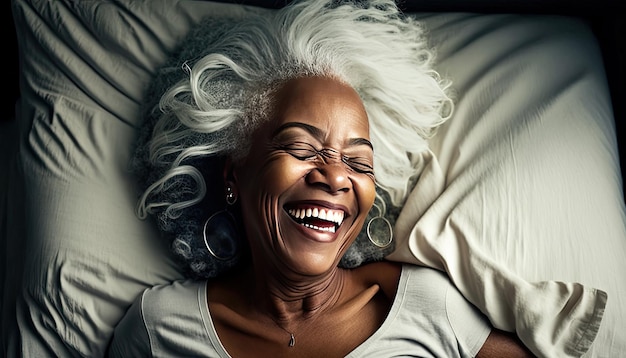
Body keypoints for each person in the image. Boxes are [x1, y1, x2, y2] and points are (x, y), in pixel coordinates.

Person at [109, 0, 535, 356]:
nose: (335, 177)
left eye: (359, 162)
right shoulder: (156, 328)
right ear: (234, 174)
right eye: (301, 148)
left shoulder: (429, 305)